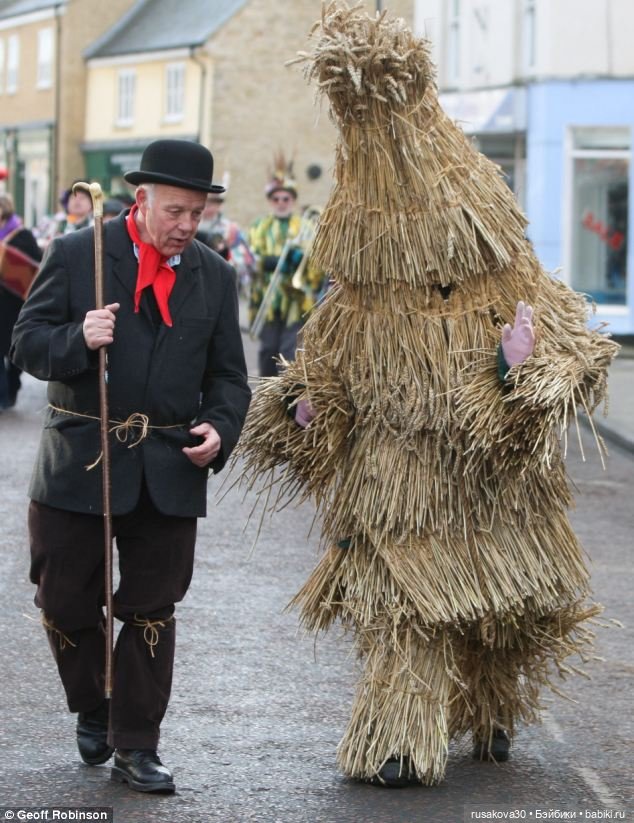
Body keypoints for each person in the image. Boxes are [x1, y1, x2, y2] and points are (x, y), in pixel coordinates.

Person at [234, 6, 618, 789]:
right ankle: (401, 738)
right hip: (390, 495)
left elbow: (578, 358)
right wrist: (304, 407)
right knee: (401, 613)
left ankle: (488, 704)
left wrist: (519, 372)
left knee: (501, 620)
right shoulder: (353, 304)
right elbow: (324, 383)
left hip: (486, 495)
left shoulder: (506, 280)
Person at [10, 138, 251, 793]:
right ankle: (94, 703)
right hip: (78, 459)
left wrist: (220, 428)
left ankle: (137, 743)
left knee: (151, 609)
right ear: (141, 200)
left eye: (197, 213)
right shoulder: (73, 254)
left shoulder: (216, 275)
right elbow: (25, 345)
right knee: (61, 599)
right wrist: (76, 339)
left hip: (170, 466)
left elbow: (231, 375)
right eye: (175, 211)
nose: (186, 226)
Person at [248, 157, 325, 376]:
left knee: (289, 355)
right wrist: (265, 262)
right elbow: (246, 259)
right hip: (268, 302)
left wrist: (302, 260)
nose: (281, 202)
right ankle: (265, 403)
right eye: (276, 198)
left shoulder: (306, 226)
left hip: (297, 302)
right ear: (270, 201)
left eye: (286, 198)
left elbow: (318, 261)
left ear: (293, 200)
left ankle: (287, 406)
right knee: (268, 352)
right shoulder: (259, 227)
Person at [0, 225, 42, 410]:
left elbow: (36, 269)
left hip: (16, 304)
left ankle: (13, 384)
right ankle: (2, 397)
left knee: (13, 350)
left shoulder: (21, 234)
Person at [198, 190, 255, 294]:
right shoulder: (189, 226)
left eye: (210, 204)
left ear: (218, 205)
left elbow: (244, 260)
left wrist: (226, 255)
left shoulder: (230, 229)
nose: (206, 208)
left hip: (218, 283)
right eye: (203, 203)